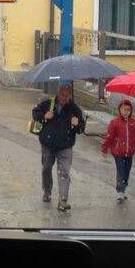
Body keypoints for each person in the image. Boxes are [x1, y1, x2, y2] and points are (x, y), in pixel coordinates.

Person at [31, 83, 86, 212]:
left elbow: (82, 128)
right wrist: (44, 116)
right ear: (58, 93)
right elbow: (35, 112)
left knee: (64, 172)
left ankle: (63, 200)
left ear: (70, 95)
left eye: (66, 95)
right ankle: (47, 191)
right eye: (61, 94)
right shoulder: (48, 104)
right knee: (46, 168)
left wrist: (77, 124)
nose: (63, 97)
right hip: (48, 145)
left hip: (65, 146)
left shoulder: (75, 109)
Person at [100, 98, 135, 202]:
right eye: (124, 109)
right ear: (120, 110)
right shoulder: (115, 122)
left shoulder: (134, 123)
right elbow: (109, 136)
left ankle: (123, 189)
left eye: (128, 110)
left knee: (126, 172)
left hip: (129, 153)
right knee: (121, 171)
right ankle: (120, 191)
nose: (126, 112)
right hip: (118, 152)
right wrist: (104, 148)